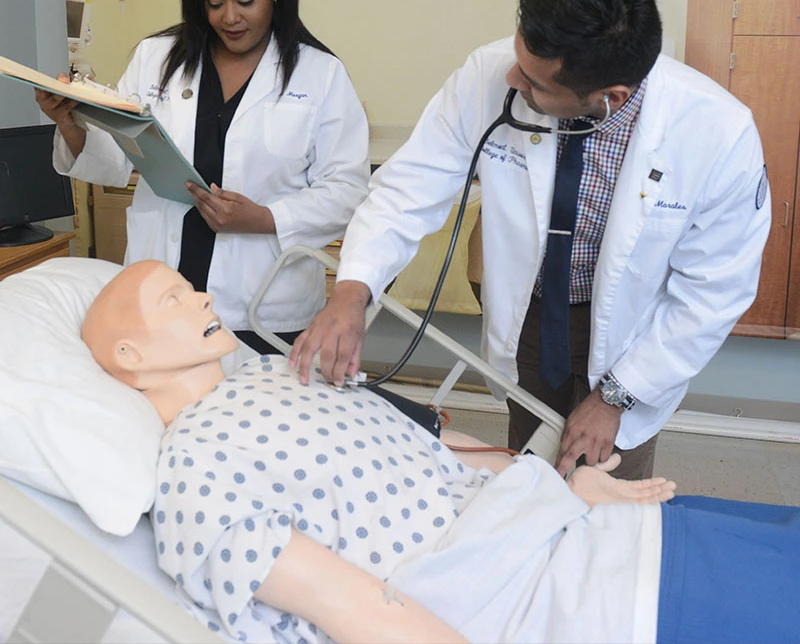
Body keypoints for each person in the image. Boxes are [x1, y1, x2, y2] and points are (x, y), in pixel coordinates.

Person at [81, 259, 800, 644]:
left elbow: (432, 451)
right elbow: (355, 610)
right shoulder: (195, 472)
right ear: (127, 353)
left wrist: (554, 484)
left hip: (566, 529)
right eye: (174, 300)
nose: (205, 298)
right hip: (553, 599)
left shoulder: (280, 372)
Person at [290, 0, 771, 479]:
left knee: (606, 481)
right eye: (518, 57)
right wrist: (352, 290)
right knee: (527, 468)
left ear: (608, 99)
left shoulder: (718, 133)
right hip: (532, 314)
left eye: (534, 82)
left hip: (634, 332)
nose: (510, 78)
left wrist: (615, 397)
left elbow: (712, 293)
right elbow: (408, 189)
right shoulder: (488, 73)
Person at [36, 0, 370, 354]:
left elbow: (348, 190)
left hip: (263, 310)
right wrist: (69, 120)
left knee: (254, 418)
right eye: (214, 3)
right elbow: (115, 160)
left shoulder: (321, 74)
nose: (229, 18)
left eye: (245, 0)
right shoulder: (155, 58)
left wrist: (266, 219)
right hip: (159, 296)